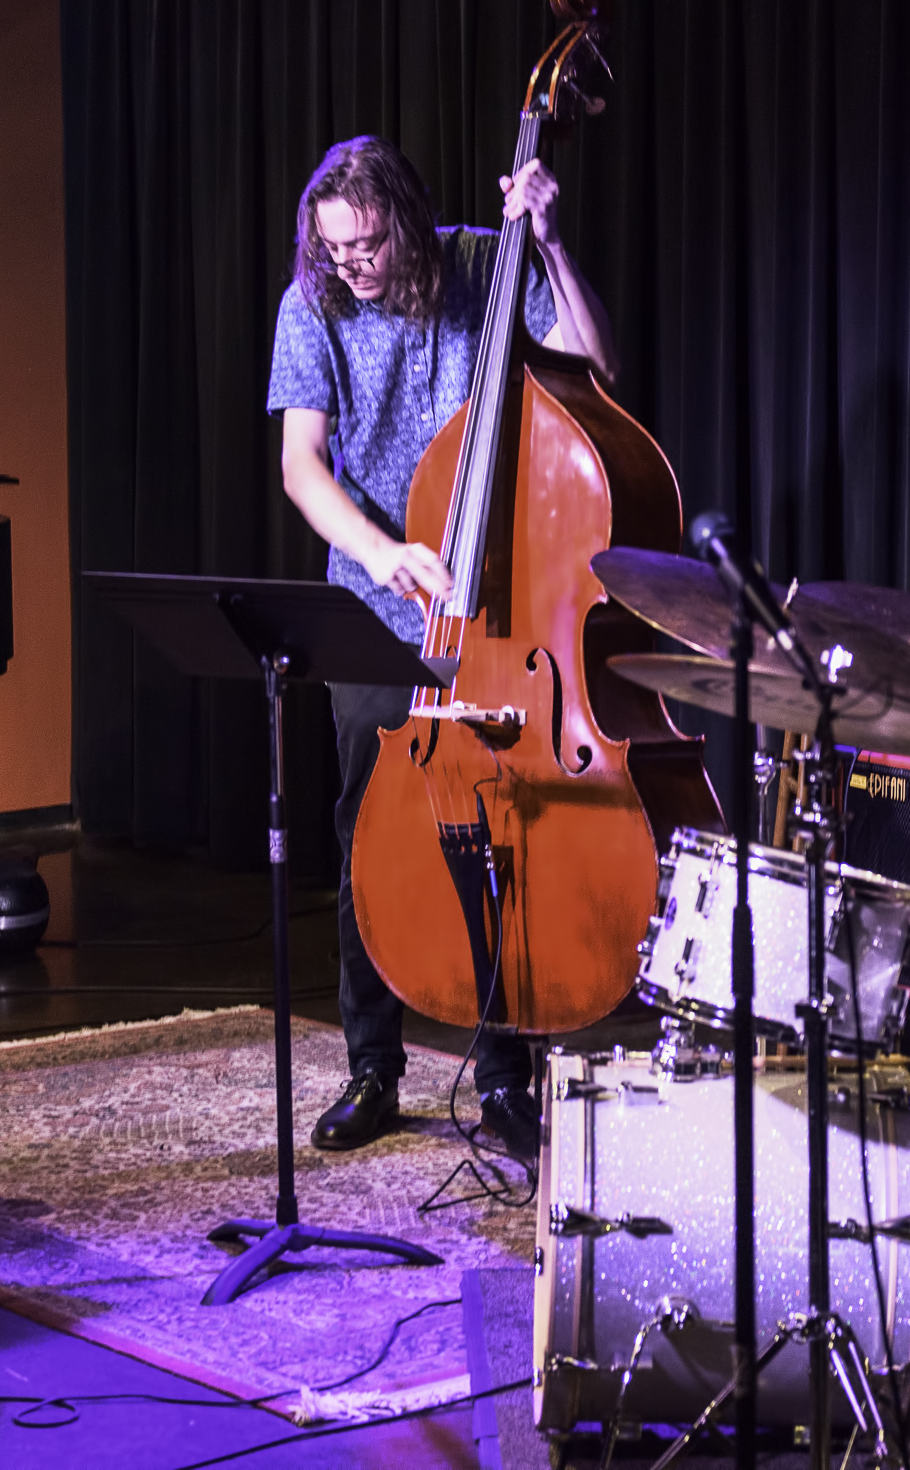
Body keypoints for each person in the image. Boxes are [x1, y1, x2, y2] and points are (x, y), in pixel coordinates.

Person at [266, 135, 618, 1157]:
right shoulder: (313, 301)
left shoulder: (484, 266)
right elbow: (302, 466)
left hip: (502, 606)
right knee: (362, 828)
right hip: (379, 603)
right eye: (337, 251)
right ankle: (374, 1064)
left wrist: (547, 243)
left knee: (505, 834)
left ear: (409, 222)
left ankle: (507, 1071)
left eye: (370, 244)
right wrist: (383, 555)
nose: (356, 267)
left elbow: (598, 366)